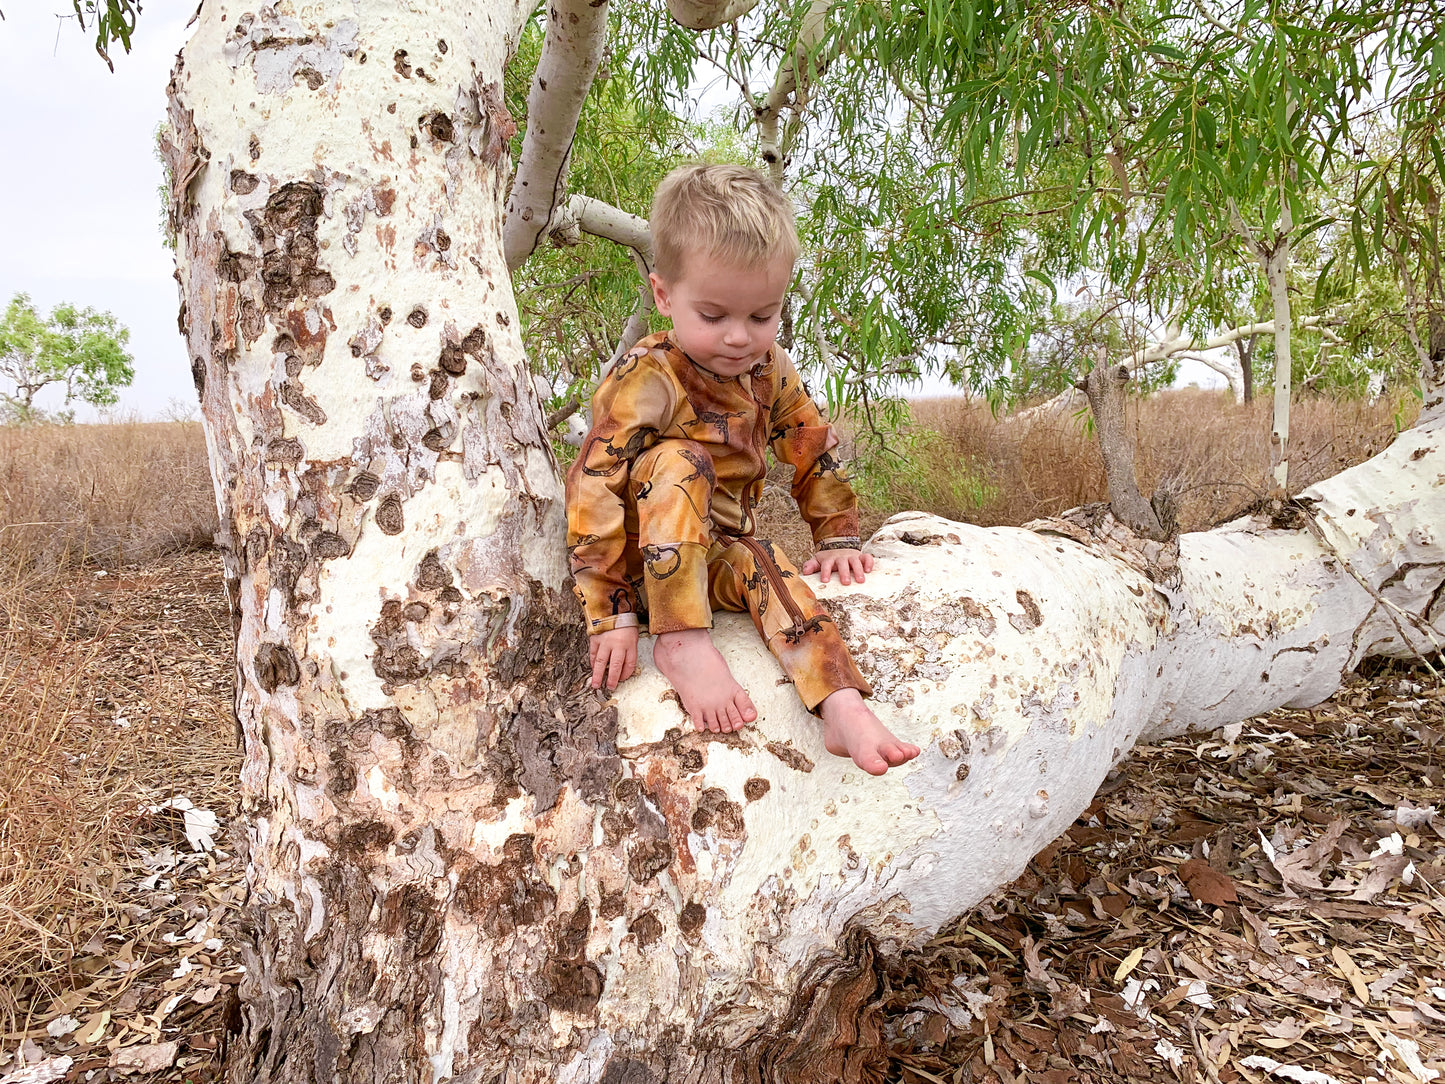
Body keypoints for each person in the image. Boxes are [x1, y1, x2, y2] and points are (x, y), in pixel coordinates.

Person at [564, 164, 920, 775]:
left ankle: (838, 702)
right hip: (640, 565)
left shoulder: (769, 369)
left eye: (762, 317)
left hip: (713, 553)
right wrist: (610, 610)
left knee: (765, 561)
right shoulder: (649, 376)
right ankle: (681, 641)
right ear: (663, 296)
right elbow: (593, 483)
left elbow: (807, 440)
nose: (739, 338)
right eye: (714, 316)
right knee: (679, 459)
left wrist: (836, 535)